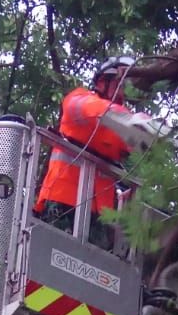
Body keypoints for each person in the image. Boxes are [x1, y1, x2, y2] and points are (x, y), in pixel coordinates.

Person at [33, 56, 146, 249]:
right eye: (121, 83)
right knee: (46, 262)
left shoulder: (119, 123)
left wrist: (150, 131)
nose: (123, 91)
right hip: (62, 202)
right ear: (103, 81)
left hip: (99, 216)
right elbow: (95, 110)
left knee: (85, 273)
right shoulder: (79, 101)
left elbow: (135, 147)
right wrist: (134, 120)